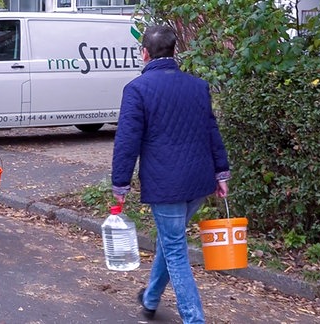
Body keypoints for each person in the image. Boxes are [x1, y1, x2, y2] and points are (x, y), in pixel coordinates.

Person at [111, 25, 231, 323]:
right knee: (171, 241)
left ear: (145, 53)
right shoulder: (197, 86)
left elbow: (127, 141)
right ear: (173, 50)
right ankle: (151, 299)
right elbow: (211, 131)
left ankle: (194, 319)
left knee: (176, 250)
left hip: (167, 186)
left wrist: (120, 184)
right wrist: (221, 173)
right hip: (199, 182)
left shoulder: (137, 89)